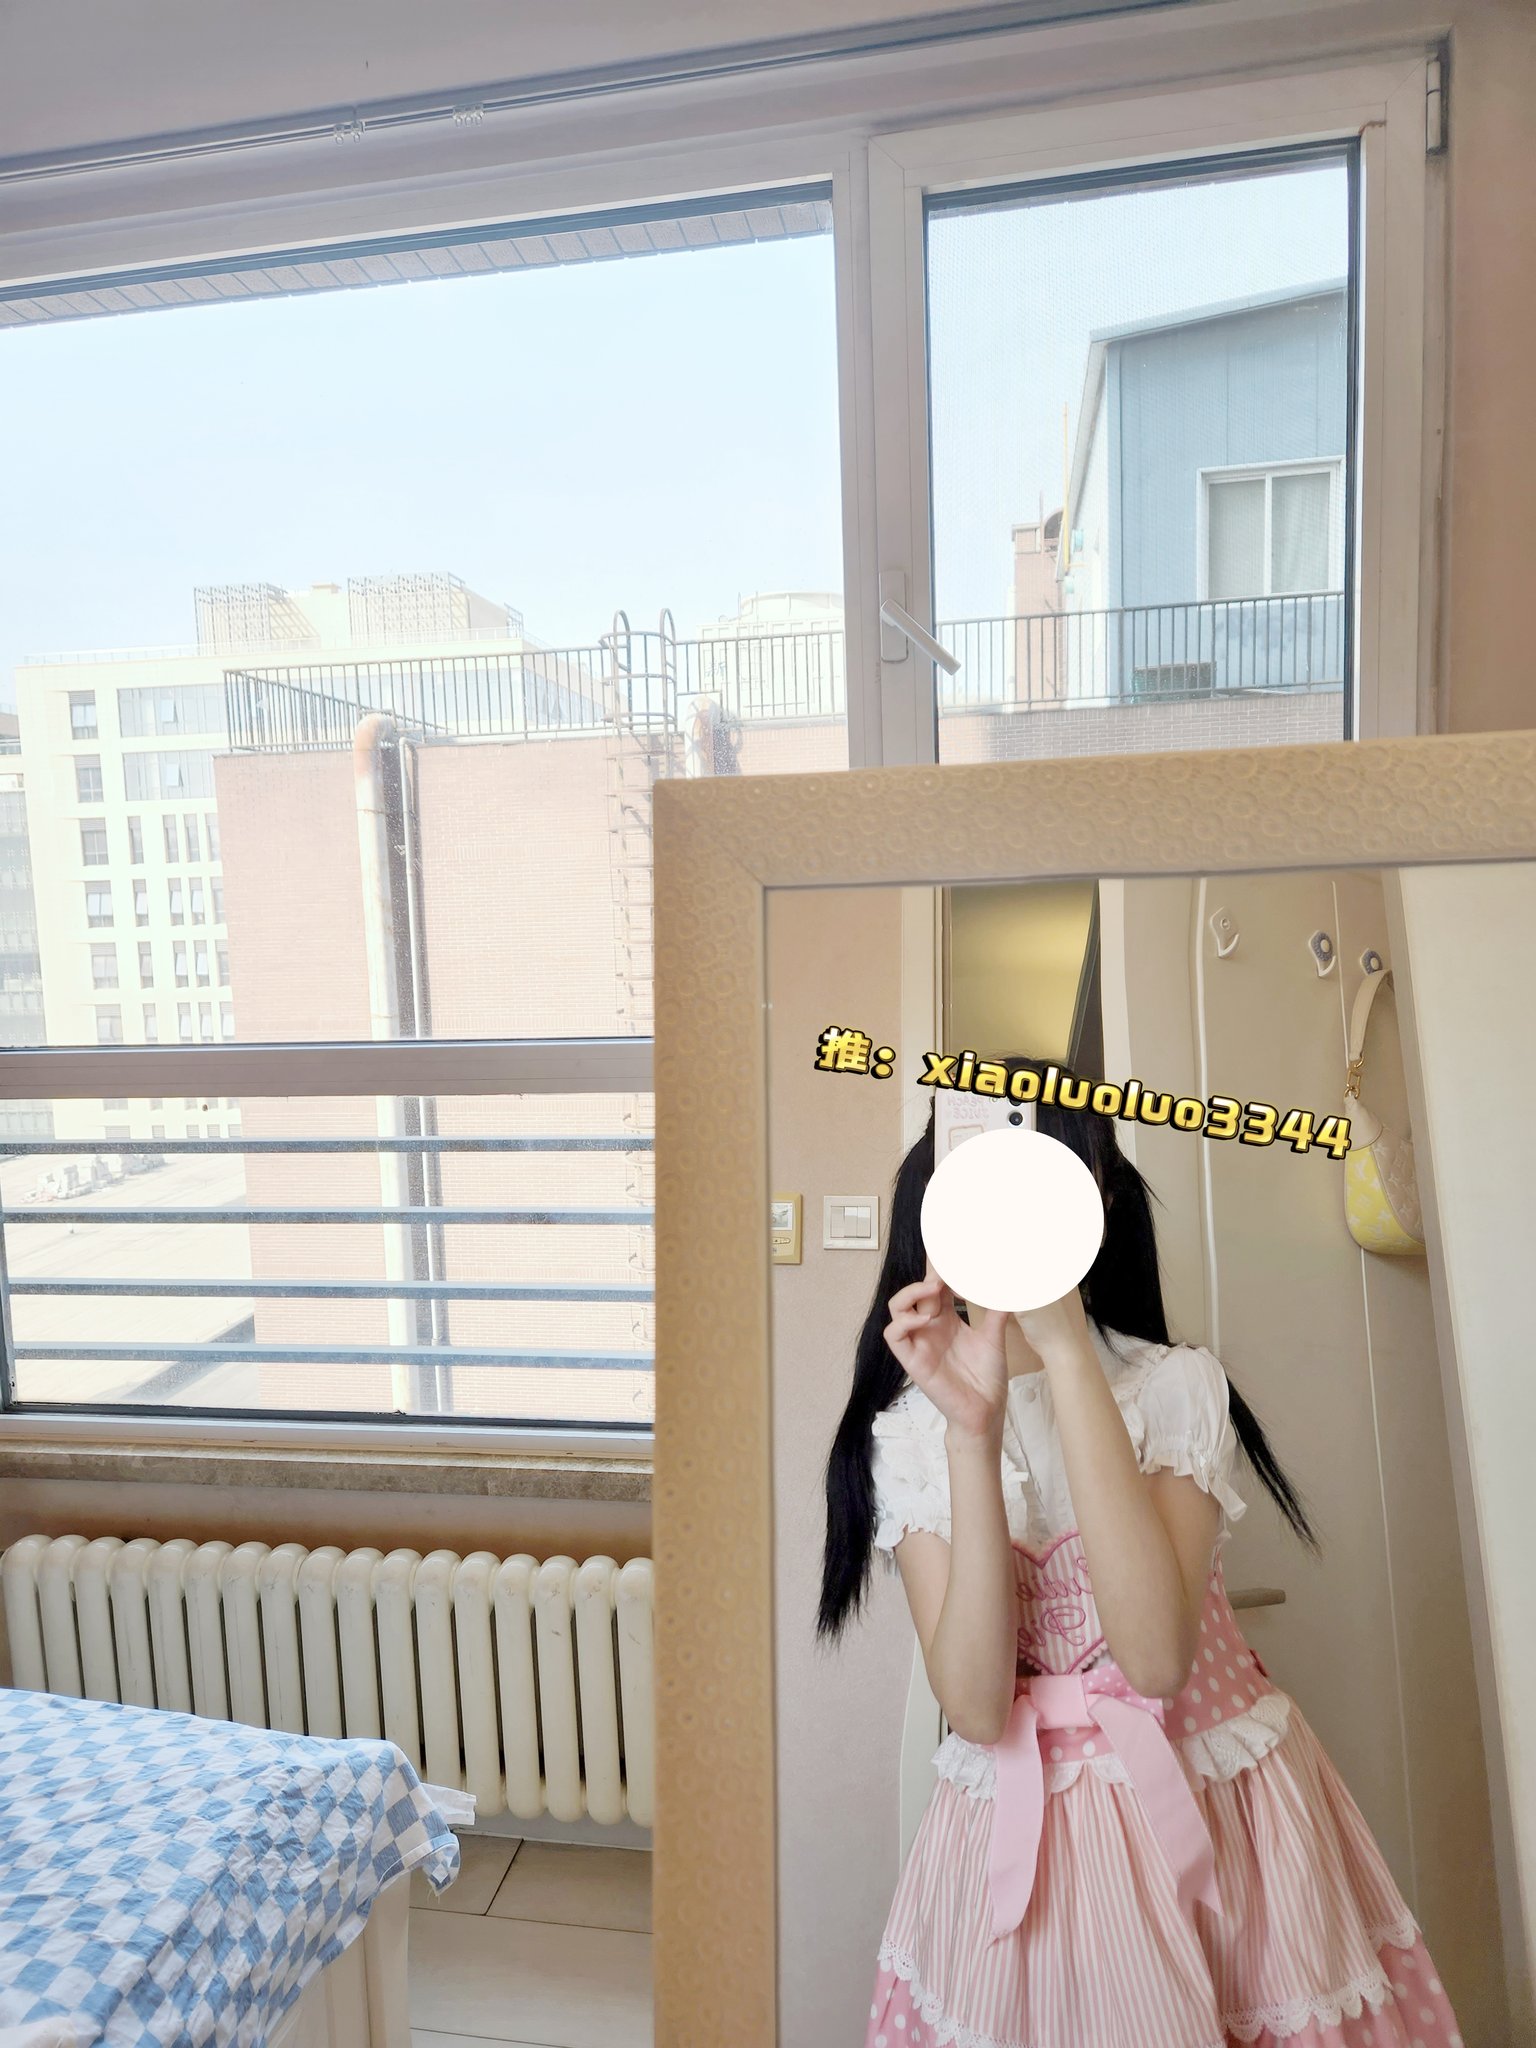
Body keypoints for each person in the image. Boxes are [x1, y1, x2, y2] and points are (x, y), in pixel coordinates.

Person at [819, 1068, 1463, 2048]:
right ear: (934, 1208)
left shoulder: (1178, 1387)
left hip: (1222, 1810)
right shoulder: (911, 1431)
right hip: (1023, 1840)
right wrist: (971, 1434)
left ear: (1097, 1205)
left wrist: (1068, 1350)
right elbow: (978, 1709)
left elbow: (1156, 1658)